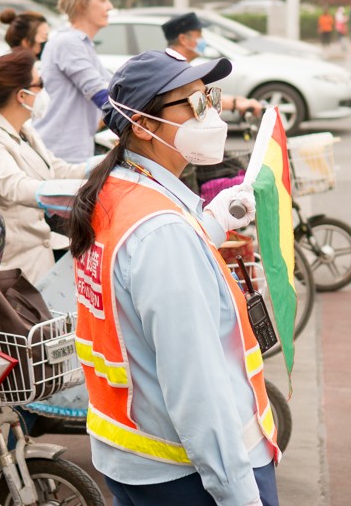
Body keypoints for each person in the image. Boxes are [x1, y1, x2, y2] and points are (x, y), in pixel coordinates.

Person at [69, 49, 281, 506]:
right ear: (143, 126)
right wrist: (239, 493)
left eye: (210, 96)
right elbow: (197, 385)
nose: (211, 113)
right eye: (193, 103)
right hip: (189, 475)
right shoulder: (163, 234)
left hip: (139, 457)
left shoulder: (115, 191)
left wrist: (212, 223)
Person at [0, 48, 86, 283]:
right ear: (22, 95)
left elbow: (56, 170)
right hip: (8, 270)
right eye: (40, 84)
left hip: (39, 258)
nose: (45, 91)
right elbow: (16, 187)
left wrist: (108, 165)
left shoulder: (23, 129)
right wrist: (77, 195)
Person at [33, 0, 114, 163]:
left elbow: (114, 90)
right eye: (103, 0)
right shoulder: (68, 42)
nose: (110, 6)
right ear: (81, 4)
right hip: (60, 154)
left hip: (71, 152)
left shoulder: (81, 43)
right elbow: (101, 95)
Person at [161, 12, 264, 116]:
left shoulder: (175, 65)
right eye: (199, 34)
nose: (203, 40)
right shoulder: (175, 70)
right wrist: (236, 103)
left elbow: (204, 96)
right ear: (183, 39)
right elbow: (198, 100)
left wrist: (237, 101)